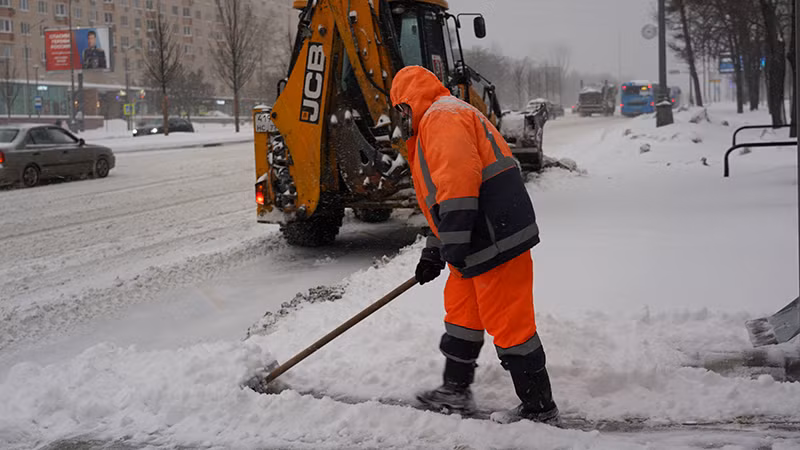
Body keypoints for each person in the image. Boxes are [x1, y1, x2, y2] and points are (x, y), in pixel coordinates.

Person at [389, 66, 559, 425]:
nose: (400, 118)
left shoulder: (442, 118)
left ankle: (539, 408)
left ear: (410, 101)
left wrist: (452, 243)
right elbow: (440, 199)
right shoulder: (435, 120)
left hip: (494, 236)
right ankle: (455, 389)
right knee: (462, 312)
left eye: (401, 109)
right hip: (478, 236)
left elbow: (460, 187)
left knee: (510, 323)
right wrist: (434, 249)